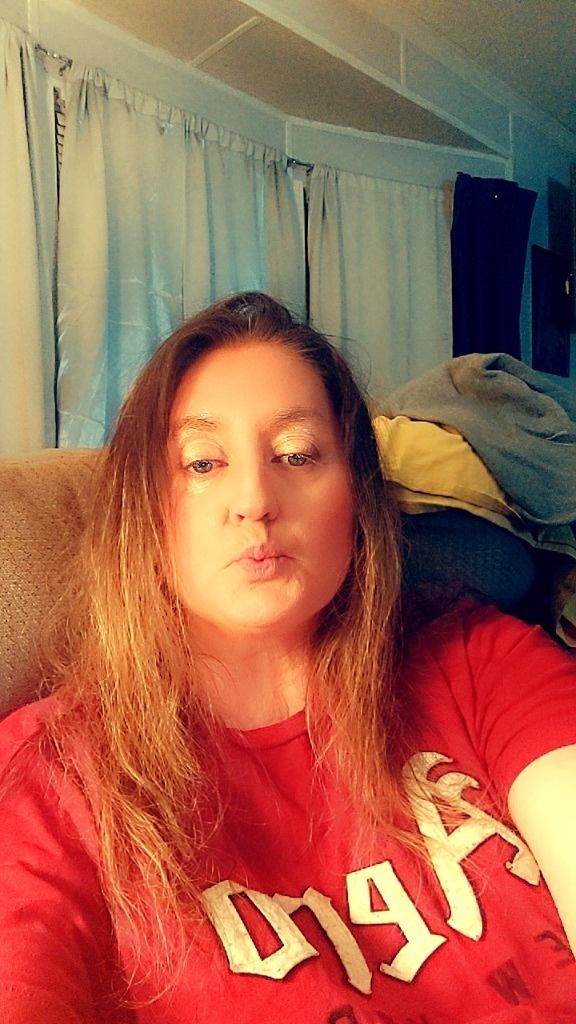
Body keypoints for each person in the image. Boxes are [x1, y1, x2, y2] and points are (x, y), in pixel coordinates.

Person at [0, 292, 575, 1024]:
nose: (254, 499)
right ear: (143, 513)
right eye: (202, 462)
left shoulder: (479, 662)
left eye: (297, 454)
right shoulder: (53, 775)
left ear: (357, 497)